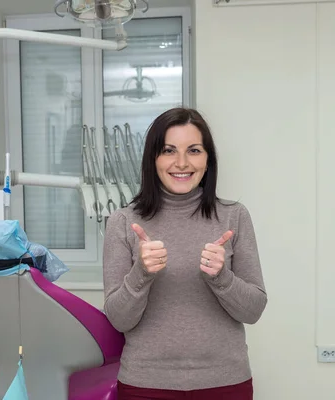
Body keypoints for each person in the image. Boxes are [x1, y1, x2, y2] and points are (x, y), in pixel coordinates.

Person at [102, 107, 267, 400]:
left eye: (193, 150)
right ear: (153, 159)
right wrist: (141, 273)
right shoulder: (123, 222)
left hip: (225, 382)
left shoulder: (235, 216)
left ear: (207, 159)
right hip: (145, 385)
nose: (181, 163)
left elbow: (253, 311)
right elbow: (118, 320)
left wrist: (222, 278)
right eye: (168, 150)